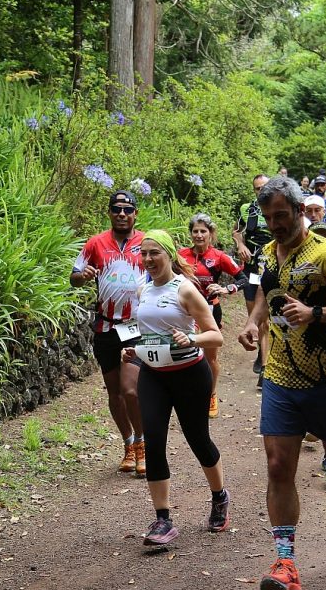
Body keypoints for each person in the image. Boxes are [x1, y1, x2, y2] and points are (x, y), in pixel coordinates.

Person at [237, 176, 326, 590]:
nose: (275, 224)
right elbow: (267, 292)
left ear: (299, 211)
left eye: (281, 215)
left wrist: (315, 313)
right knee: (279, 465)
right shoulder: (266, 253)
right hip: (280, 376)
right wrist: (253, 322)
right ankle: (286, 563)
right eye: (268, 217)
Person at [123, 230, 230, 545]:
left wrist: (192, 338)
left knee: (198, 440)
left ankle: (219, 496)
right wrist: (133, 350)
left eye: (154, 253)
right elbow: (146, 332)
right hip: (153, 375)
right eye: (143, 254)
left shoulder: (185, 289)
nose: (148, 259)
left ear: (169, 255)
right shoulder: (142, 289)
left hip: (190, 374)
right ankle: (163, 520)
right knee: (154, 442)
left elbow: (215, 336)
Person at [71, 191, 147, 475]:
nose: (122, 214)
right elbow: (74, 276)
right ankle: (128, 444)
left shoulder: (146, 243)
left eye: (127, 209)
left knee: (130, 390)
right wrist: (83, 276)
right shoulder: (95, 243)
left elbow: (166, 272)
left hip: (134, 326)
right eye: (116, 209)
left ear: (135, 213)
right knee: (114, 393)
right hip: (105, 325)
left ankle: (142, 443)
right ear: (110, 213)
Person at [179, 213, 248, 418]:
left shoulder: (219, 256)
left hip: (210, 309)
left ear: (211, 234)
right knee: (187, 352)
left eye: (203, 231)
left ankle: (211, 394)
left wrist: (226, 289)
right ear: (190, 233)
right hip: (186, 311)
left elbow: (243, 279)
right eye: (195, 231)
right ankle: (189, 393)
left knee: (210, 357)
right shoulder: (180, 255)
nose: (199, 235)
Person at [232, 174, 272, 388]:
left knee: (266, 320)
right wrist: (240, 245)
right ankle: (262, 353)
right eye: (258, 188)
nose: (261, 191)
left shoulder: (279, 206)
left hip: (273, 266)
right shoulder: (247, 209)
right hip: (252, 267)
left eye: (265, 187)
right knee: (254, 317)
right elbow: (237, 231)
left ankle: (265, 368)